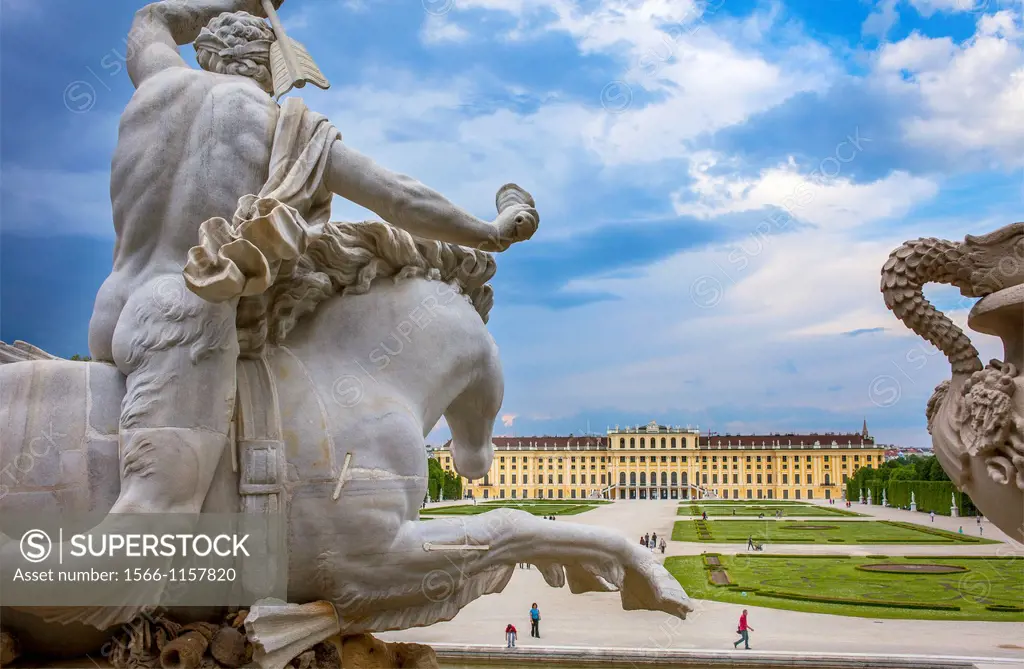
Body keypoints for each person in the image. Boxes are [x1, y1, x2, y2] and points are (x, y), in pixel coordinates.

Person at [76, 0, 537, 625]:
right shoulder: (277, 124)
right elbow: (401, 199)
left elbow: (153, 17)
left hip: (114, 308)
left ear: (207, 50)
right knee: (152, 522)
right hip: (182, 317)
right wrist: (488, 231)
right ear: (271, 67)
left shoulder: (156, 82)